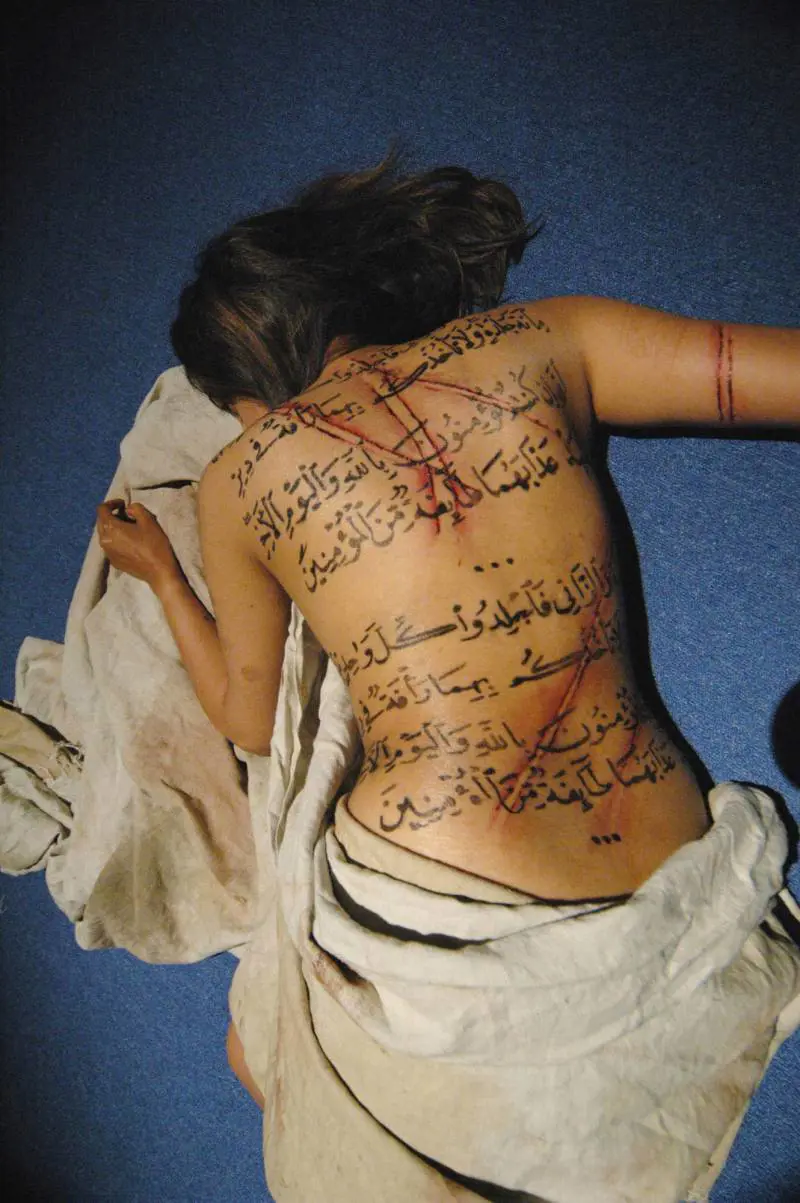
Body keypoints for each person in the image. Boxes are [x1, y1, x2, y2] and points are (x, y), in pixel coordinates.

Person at [96, 157, 800, 1201]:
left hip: (432, 903)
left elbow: (247, 718)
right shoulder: (542, 338)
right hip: (664, 874)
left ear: (252, 389)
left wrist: (163, 575)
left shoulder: (240, 477)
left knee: (257, 1053)